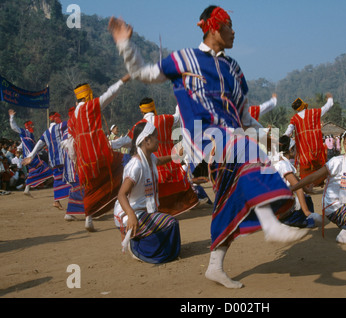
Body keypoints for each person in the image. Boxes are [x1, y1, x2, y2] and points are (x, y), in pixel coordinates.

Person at [109, 5, 308, 288]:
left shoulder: (234, 69)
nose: (234, 31)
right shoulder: (184, 59)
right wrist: (124, 43)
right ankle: (271, 225)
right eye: (229, 25)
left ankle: (215, 265)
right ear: (214, 28)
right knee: (248, 148)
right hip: (204, 138)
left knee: (230, 199)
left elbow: (245, 116)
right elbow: (143, 72)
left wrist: (269, 137)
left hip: (231, 139)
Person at [111, 97, 199, 216]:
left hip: (151, 169)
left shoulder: (139, 126)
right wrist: (180, 97)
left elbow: (126, 141)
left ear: (142, 111)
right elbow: (178, 116)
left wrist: (109, 144)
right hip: (169, 168)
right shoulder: (165, 119)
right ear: (153, 108)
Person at [65, 75, 130, 231]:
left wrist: (75, 161)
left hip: (84, 161)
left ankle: (89, 218)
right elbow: (110, 94)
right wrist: (123, 80)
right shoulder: (92, 106)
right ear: (88, 95)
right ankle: (127, 204)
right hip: (101, 154)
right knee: (124, 165)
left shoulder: (72, 118)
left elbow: (70, 144)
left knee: (90, 187)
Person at [114, 121, 181, 263]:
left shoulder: (149, 158)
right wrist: (131, 215)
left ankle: (144, 243)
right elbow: (121, 194)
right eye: (156, 137)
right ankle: (139, 249)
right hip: (130, 214)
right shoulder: (136, 165)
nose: (159, 140)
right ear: (146, 140)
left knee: (167, 225)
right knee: (170, 223)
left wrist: (174, 156)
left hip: (142, 212)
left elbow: (160, 161)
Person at [22, 112, 72, 210]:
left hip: (53, 162)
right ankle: (74, 206)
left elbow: (38, 145)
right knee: (73, 180)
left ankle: (56, 201)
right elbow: (73, 121)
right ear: (55, 118)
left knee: (58, 179)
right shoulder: (61, 126)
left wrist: (31, 156)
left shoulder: (45, 133)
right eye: (59, 117)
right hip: (63, 159)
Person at [284, 94, 334, 189]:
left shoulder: (294, 119)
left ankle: (307, 186)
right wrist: (330, 98)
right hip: (316, 148)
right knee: (319, 165)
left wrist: (283, 137)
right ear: (303, 105)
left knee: (305, 168)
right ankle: (319, 182)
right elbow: (329, 105)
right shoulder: (313, 112)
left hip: (303, 150)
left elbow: (289, 130)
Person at [272, 135, 321, 228]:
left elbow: (298, 182)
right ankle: (296, 220)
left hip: (273, 202)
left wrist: (307, 189)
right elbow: (298, 187)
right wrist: (307, 212)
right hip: (280, 204)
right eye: (295, 148)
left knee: (303, 195)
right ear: (291, 150)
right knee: (306, 199)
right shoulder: (284, 164)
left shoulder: (278, 162)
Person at [8, 109, 53, 194]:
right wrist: (11, 117)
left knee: (32, 172)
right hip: (30, 157)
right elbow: (14, 127)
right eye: (32, 125)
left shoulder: (31, 135)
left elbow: (30, 145)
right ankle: (57, 177)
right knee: (44, 166)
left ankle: (26, 189)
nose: (33, 127)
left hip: (32, 156)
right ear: (27, 126)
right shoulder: (23, 132)